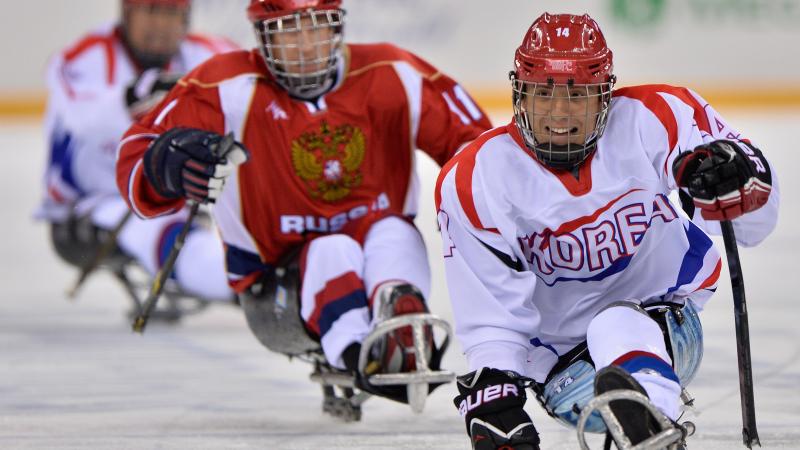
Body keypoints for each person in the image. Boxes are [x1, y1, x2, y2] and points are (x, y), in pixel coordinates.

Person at [115, 0, 492, 413]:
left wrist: (494, 222)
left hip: (375, 246)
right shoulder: (224, 85)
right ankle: (359, 353)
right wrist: (164, 165)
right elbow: (136, 153)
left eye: (316, 27)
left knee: (394, 231)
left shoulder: (395, 74)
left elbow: (481, 154)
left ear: (337, 28)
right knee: (332, 251)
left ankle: (400, 315)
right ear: (262, 37)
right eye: (288, 30)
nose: (305, 45)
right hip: (275, 284)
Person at [436, 12, 778, 450]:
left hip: (666, 326)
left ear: (604, 96)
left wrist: (737, 182)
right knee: (608, 327)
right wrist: (494, 397)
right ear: (520, 95)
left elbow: (752, 227)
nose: (559, 113)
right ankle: (649, 424)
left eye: (577, 94)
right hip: (567, 374)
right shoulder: (475, 179)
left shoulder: (657, 117)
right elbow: (489, 317)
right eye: (544, 93)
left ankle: (652, 424)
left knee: (615, 323)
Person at [37, 0, 239, 310]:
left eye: (171, 13)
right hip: (90, 204)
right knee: (155, 227)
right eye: (151, 10)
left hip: (176, 191)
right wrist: (132, 97)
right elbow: (78, 116)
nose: (160, 25)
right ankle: (244, 285)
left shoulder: (211, 52)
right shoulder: (87, 56)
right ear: (127, 12)